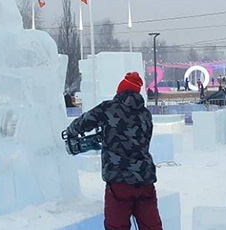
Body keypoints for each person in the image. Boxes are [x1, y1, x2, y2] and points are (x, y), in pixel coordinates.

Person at [66, 72, 162, 230]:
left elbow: (84, 122)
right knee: (152, 227)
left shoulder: (108, 108)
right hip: (145, 180)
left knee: (117, 227)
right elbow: (141, 141)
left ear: (120, 91)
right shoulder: (145, 114)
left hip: (119, 181)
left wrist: (70, 131)